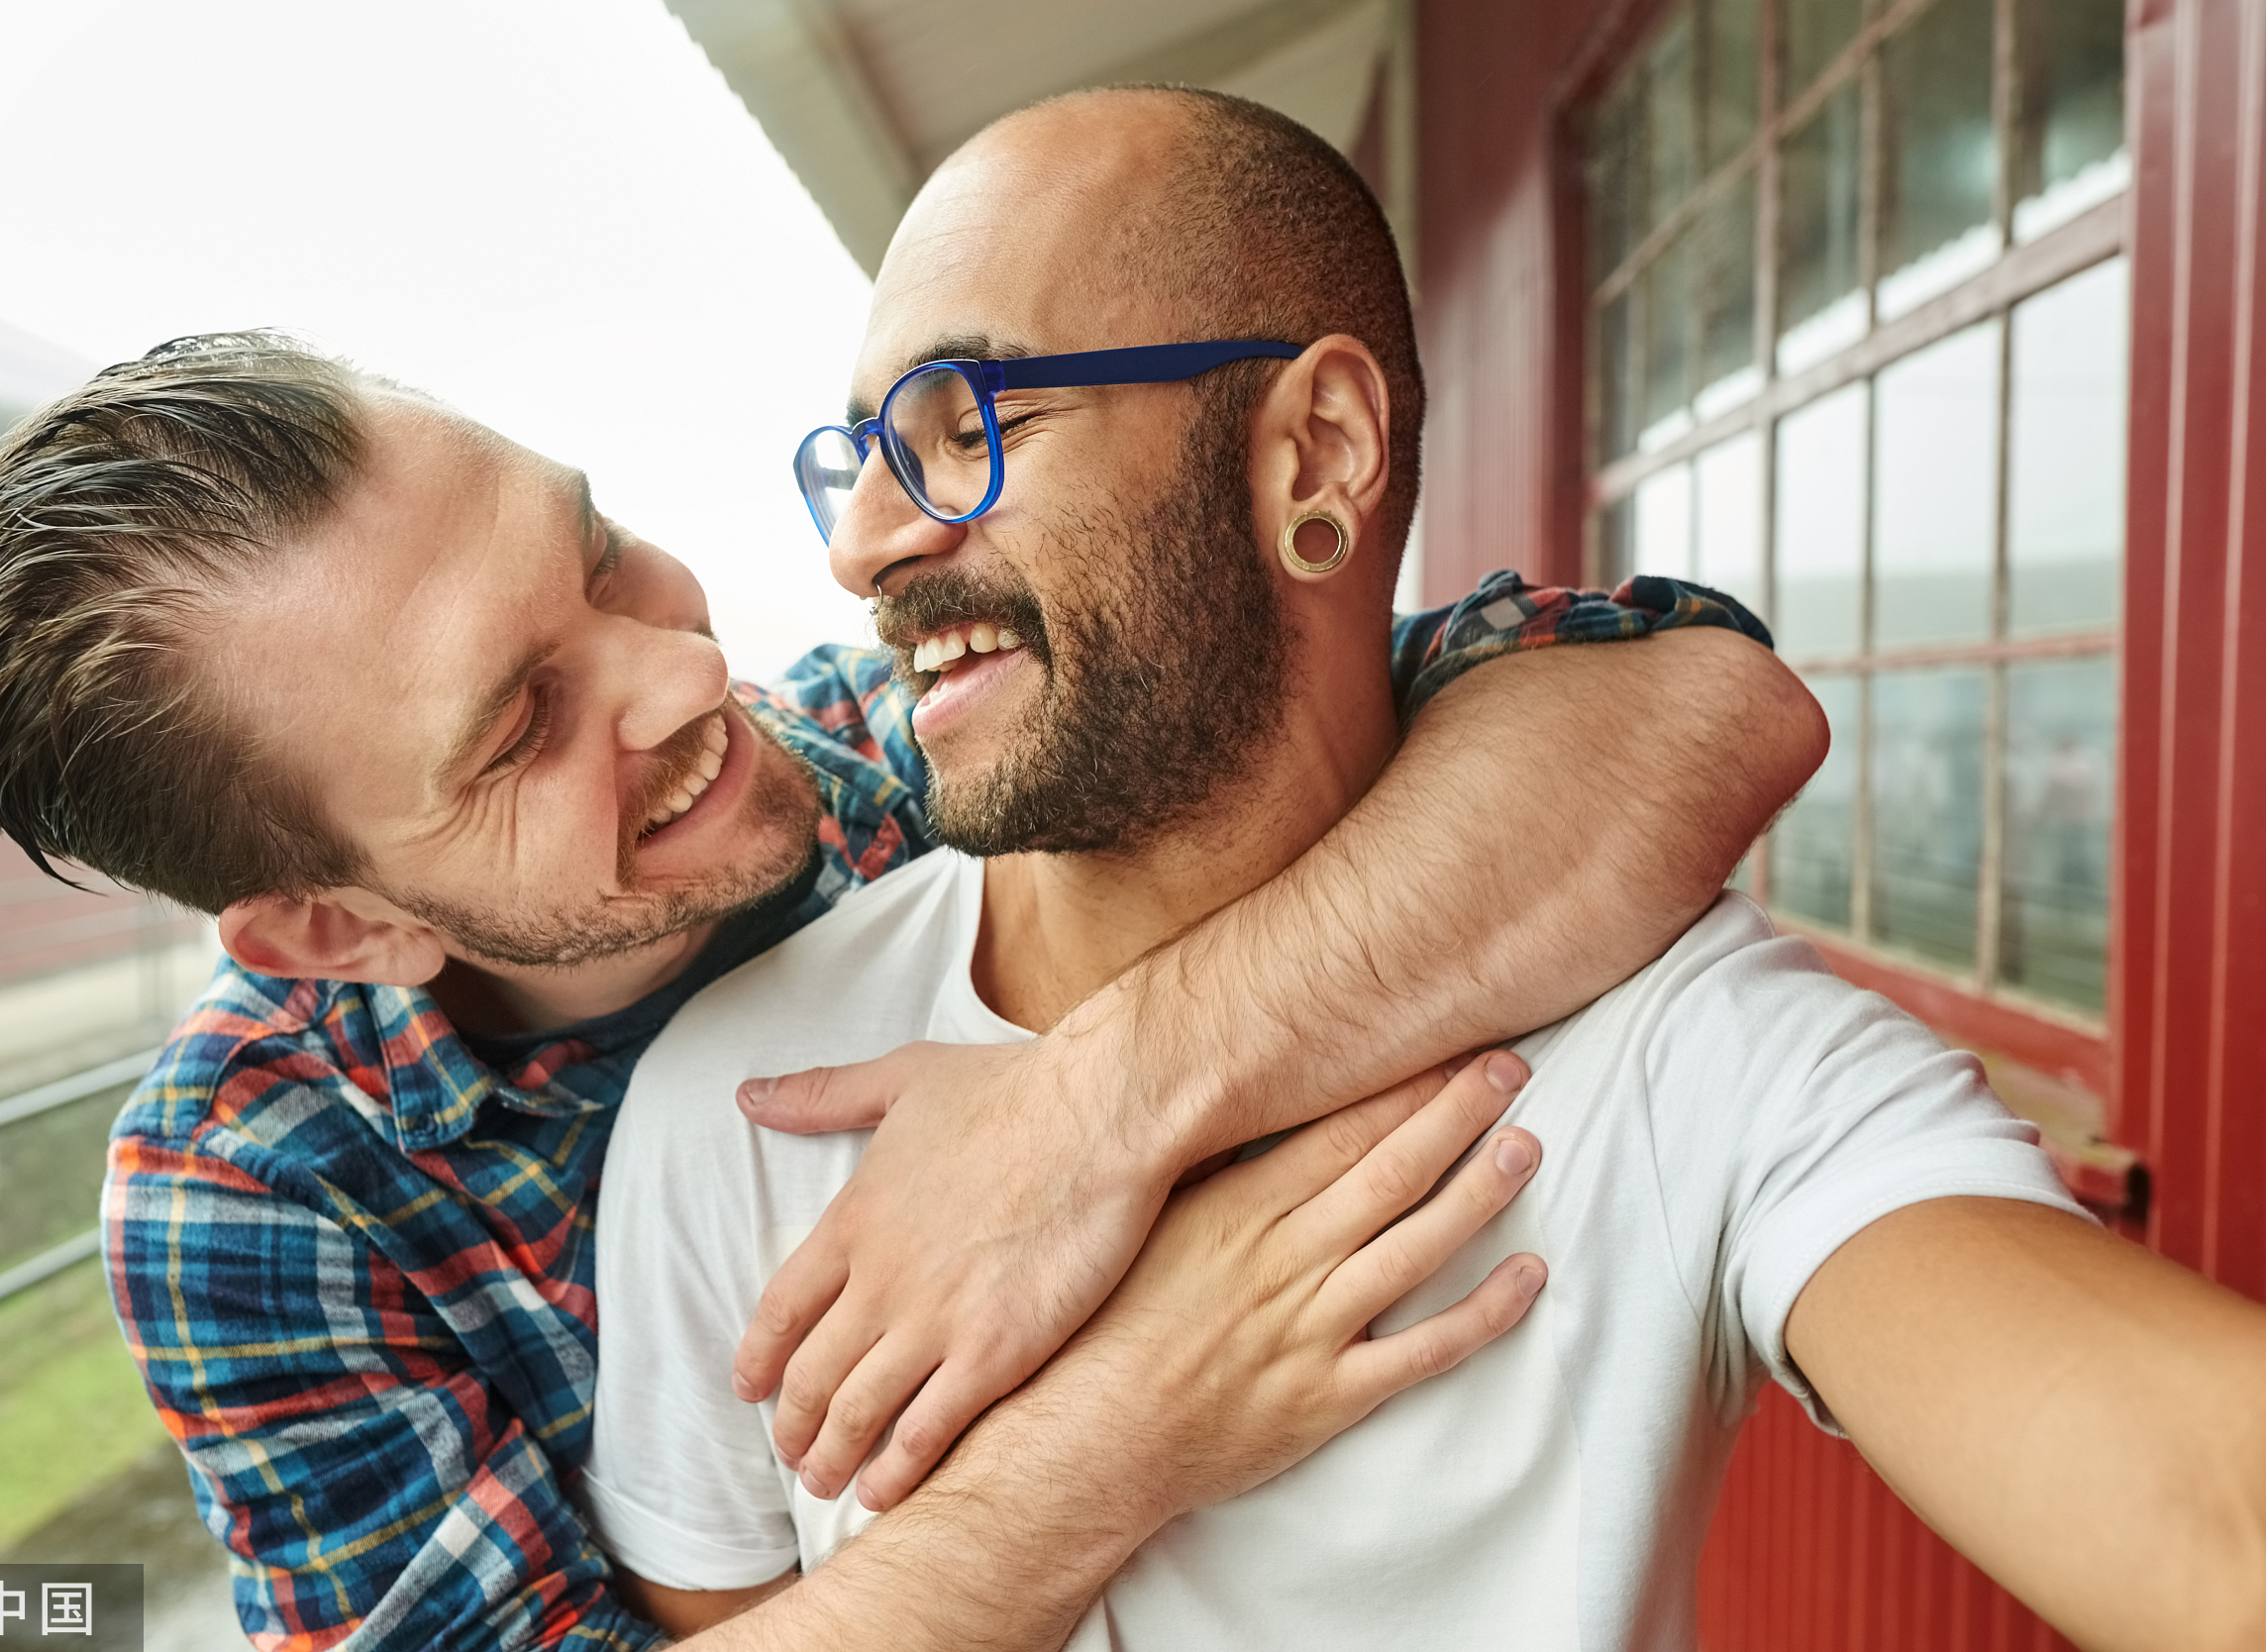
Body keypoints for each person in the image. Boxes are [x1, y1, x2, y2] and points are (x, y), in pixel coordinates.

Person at [0, 173, 1820, 1652]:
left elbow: (1691, 703)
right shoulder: (251, 1187)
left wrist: (1098, 1110)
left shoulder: (923, 747)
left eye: (595, 556)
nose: (678, 680)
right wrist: (1127, 1425)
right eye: (520, 729)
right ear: (339, 930)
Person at [584, 87, 2266, 1652]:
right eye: (859, 450)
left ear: (1311, 455)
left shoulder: (1681, 1047)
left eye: (961, 426)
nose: (863, 542)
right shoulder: (737, 1096)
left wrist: (1102, 1107)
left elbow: (2212, 1509)